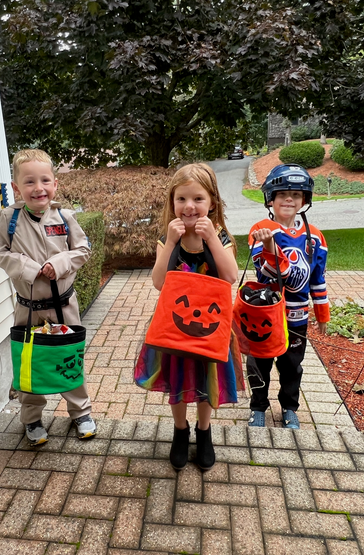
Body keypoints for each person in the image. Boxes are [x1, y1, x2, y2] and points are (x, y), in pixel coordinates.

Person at [134, 163, 243, 471]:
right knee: (178, 380)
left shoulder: (220, 237)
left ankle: (204, 431)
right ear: (172, 203)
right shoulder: (168, 239)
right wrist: (169, 243)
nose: (189, 206)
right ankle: (180, 430)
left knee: (209, 381)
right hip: (174, 330)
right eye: (181, 199)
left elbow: (230, 276)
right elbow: (158, 282)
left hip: (210, 331)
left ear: (212, 203)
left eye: (198, 199)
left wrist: (210, 240)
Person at [0, 149, 96, 446]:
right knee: (30, 362)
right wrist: (29, 268)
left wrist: (60, 264)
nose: (39, 188)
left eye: (45, 180)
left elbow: (83, 250)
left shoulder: (65, 217)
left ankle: (81, 412)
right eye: (29, 182)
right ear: (16, 188)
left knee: (69, 358)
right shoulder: (9, 219)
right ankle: (32, 419)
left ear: (55, 184)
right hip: (28, 309)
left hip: (64, 307)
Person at [246, 164, 330, 429]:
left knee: (292, 365)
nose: (289, 199)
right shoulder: (260, 229)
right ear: (271, 198)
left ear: (305, 199)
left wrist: (322, 313)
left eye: (296, 194)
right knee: (259, 364)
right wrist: (269, 245)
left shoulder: (315, 236)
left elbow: (317, 278)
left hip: (297, 316)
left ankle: (289, 408)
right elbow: (269, 271)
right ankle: (258, 407)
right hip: (264, 315)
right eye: (282, 194)